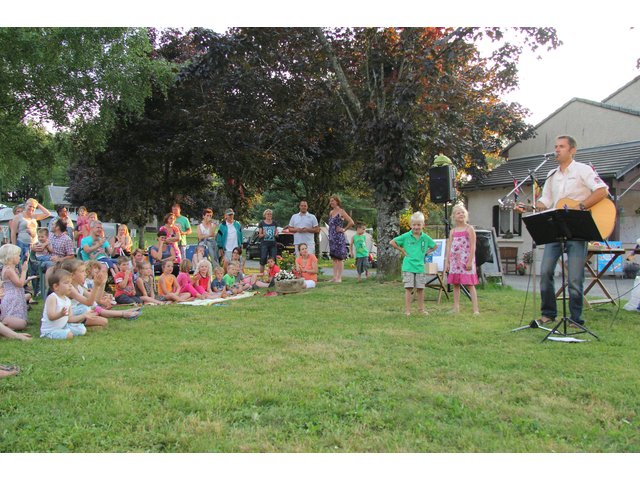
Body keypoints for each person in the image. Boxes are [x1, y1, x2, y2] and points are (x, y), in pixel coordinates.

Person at [517, 135, 609, 327]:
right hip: (556, 228)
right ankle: (548, 313)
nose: (557, 150)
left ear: (572, 150)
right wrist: (528, 207)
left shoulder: (583, 170)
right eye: (555, 146)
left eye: (561, 146)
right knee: (546, 270)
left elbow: (602, 191)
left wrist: (581, 207)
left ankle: (576, 319)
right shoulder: (552, 174)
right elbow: (545, 201)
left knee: (575, 276)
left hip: (578, 227)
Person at [62, 258, 141, 325]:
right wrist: (96, 286)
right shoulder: (70, 288)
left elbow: (96, 300)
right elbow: (89, 302)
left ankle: (124, 313)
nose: (85, 274)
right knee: (101, 319)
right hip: (71, 314)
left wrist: (102, 283)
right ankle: (123, 313)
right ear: (72, 275)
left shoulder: (79, 287)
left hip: (80, 310)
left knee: (96, 310)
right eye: (82, 271)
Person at [390, 212, 437, 316]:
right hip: (408, 266)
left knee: (420, 288)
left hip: (420, 267)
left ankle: (421, 309)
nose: (416, 227)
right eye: (414, 225)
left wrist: (426, 252)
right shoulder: (406, 236)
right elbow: (392, 242)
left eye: (419, 225)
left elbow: (434, 246)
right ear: (411, 225)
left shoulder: (425, 238)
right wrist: (402, 250)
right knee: (408, 288)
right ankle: (407, 311)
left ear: (423, 225)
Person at [444, 203, 480, 315]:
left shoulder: (469, 229)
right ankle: (456, 308)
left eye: (463, 212)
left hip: (466, 261)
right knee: (455, 284)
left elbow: (473, 246)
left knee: (470, 284)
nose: (461, 214)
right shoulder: (452, 231)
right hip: (455, 262)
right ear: (454, 216)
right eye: (458, 213)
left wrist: (470, 261)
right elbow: (449, 247)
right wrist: (447, 262)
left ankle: (475, 310)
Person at [40, 268, 86, 340]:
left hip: (63, 326)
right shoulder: (52, 298)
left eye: (70, 283)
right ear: (56, 286)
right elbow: (51, 316)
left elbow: (70, 318)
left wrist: (84, 315)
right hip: (51, 330)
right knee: (69, 335)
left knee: (82, 329)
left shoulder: (67, 300)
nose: (70, 286)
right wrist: (60, 314)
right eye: (66, 283)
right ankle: (48, 335)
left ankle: (64, 330)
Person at [0, 244, 36, 332]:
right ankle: (6, 323)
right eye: (18, 255)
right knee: (18, 319)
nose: (20, 257)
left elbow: (18, 282)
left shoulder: (12, 269)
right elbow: (19, 284)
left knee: (20, 317)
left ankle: (12, 323)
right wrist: (24, 271)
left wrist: (27, 280)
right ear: (11, 257)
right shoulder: (9, 270)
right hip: (12, 297)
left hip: (16, 295)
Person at [327, 195, 354, 283]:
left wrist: (344, 229)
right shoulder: (331, 212)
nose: (331, 202)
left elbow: (351, 222)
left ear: (337, 202)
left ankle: (339, 277)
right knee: (334, 258)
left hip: (339, 237)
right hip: (332, 237)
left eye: (333, 201)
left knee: (339, 258)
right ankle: (334, 277)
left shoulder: (341, 212)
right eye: (330, 201)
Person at [258, 209, 278, 275]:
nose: (269, 215)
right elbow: (259, 235)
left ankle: (273, 275)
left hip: (273, 244)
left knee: (273, 259)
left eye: (270, 214)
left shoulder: (274, 223)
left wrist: (276, 234)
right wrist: (263, 234)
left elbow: (276, 232)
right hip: (264, 244)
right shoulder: (262, 223)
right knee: (263, 259)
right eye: (268, 214)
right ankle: (261, 275)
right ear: (265, 215)